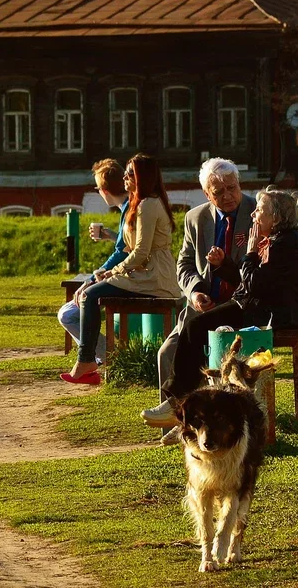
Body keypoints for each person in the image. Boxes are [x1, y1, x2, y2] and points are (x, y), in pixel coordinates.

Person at [143, 186, 298, 428]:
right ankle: (188, 412)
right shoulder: (281, 241)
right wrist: (224, 264)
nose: (253, 215)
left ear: (276, 218)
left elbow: (255, 284)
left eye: (260, 210)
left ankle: (178, 405)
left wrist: (250, 251)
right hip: (262, 307)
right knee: (199, 327)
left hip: (275, 316)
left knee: (196, 327)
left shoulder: (287, 246)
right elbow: (253, 282)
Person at [148, 158, 256, 442]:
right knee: (165, 353)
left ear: (239, 185)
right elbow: (183, 265)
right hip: (201, 306)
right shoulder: (195, 218)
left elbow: (255, 267)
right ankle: (177, 425)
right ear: (207, 195)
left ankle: (203, 424)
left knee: (210, 350)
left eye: (232, 188)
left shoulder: (257, 212)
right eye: (218, 192)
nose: (228, 196)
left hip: (239, 305)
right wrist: (195, 291)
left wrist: (227, 267)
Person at [61, 154, 180, 385]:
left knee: (89, 295)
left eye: (130, 174)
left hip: (154, 277)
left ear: (142, 177)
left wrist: (111, 272)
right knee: (90, 294)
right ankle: (88, 359)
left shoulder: (148, 204)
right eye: (125, 173)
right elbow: (128, 247)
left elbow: (141, 252)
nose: (124, 178)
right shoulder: (140, 203)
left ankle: (87, 359)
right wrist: (109, 266)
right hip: (141, 273)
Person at [57, 159, 131, 362]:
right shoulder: (130, 207)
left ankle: (106, 358)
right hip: (129, 274)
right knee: (74, 306)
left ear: (105, 191)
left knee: (68, 313)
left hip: (129, 278)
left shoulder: (129, 210)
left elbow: (123, 254)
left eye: (98, 188)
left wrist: (92, 279)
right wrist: (112, 235)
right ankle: (101, 358)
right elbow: (128, 246)